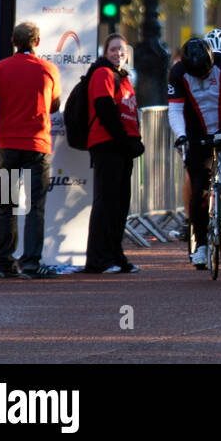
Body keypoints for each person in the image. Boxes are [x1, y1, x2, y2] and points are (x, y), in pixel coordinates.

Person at [0, 20, 62, 279]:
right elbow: (54, 106)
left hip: (7, 147)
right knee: (35, 207)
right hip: (36, 147)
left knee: (6, 205)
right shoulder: (48, 69)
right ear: (37, 43)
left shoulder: (0, 69)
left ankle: (3, 263)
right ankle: (30, 262)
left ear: (13, 42)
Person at [170, 37, 221, 268]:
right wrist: (181, 136)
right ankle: (202, 245)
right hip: (195, 129)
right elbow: (175, 110)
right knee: (199, 188)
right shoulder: (177, 73)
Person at [83, 34, 144, 274]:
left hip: (122, 147)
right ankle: (98, 260)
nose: (118, 53)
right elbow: (105, 108)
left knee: (119, 206)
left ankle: (116, 256)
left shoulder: (124, 77)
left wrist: (134, 141)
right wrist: (123, 141)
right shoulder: (102, 74)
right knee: (106, 203)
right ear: (105, 52)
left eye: (122, 49)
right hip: (107, 145)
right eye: (113, 49)